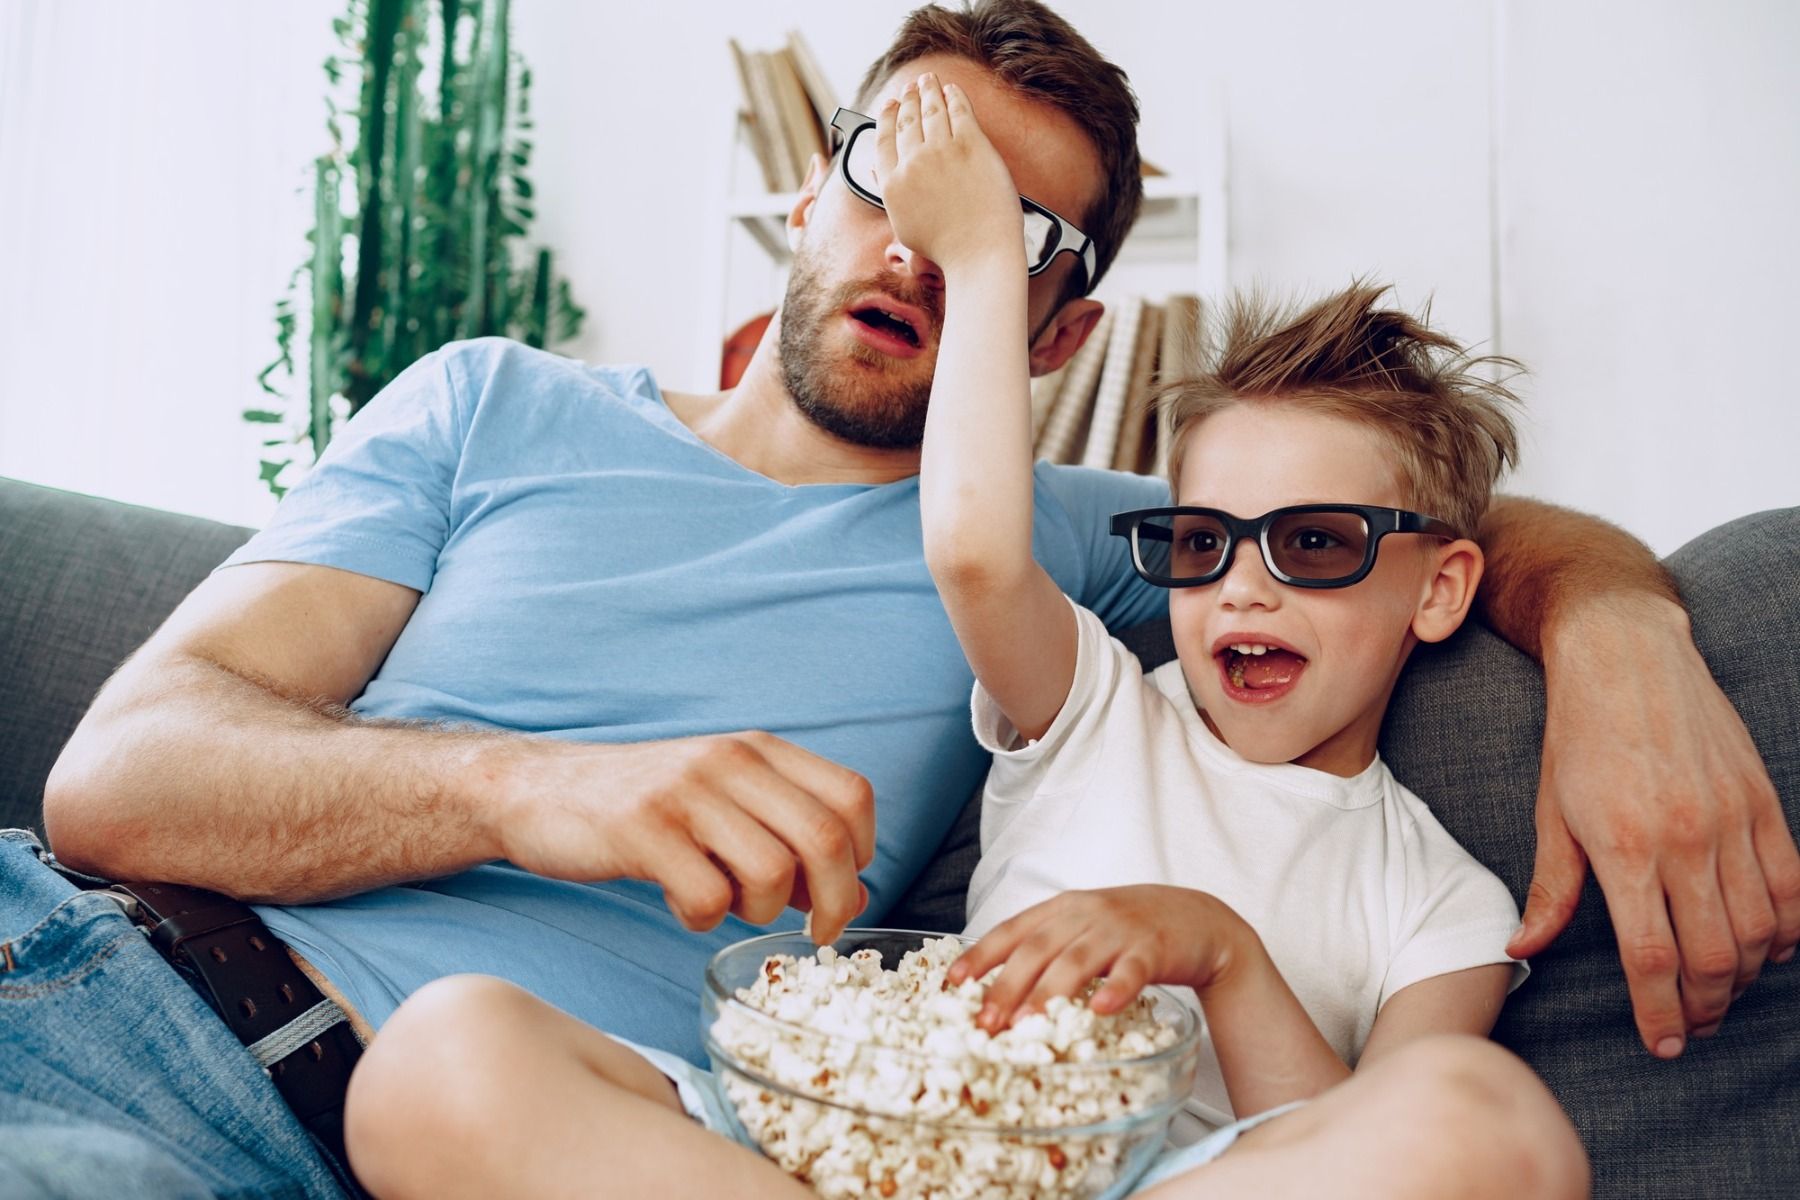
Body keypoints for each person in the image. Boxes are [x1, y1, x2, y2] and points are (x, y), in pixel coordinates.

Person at [5, 1, 1793, 1196]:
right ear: (809, 190)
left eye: (1007, 237)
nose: (930, 251)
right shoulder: (493, 401)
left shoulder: (1122, 549)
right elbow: (122, 778)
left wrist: (1626, 630)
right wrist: (529, 790)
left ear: (1064, 329)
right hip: (102, 985)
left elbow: (1384, 511)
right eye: (903, 178)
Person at [339, 79, 1589, 1199]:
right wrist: (985, 259)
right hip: (859, 1128)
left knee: (1492, 1128)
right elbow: (979, 548)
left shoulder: (1444, 905)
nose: (1244, 589)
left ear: (1440, 591)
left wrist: (1221, 954)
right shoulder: (1096, 707)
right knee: (442, 1057)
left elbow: (1365, 1144)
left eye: (1315, 545)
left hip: (1166, 1178)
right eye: (1200, 542)